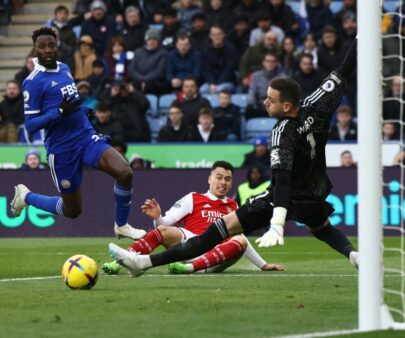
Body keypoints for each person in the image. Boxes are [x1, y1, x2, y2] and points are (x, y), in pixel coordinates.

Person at [108, 38, 360, 276]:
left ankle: (143, 262)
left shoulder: (282, 133)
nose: (265, 102)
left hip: (280, 198)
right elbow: (345, 69)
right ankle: (353, 254)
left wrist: (277, 223)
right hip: (313, 192)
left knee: (215, 233)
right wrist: (363, 36)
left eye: (271, 100)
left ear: (286, 107)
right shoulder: (317, 102)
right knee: (322, 228)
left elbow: (283, 180)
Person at [10, 27, 146, 241]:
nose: (47, 50)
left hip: (85, 135)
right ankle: (26, 197)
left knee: (125, 172)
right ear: (34, 50)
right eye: (42, 47)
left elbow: (68, 103)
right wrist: (58, 113)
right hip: (62, 148)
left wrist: (82, 111)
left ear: (57, 46)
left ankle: (121, 225)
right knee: (72, 210)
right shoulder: (32, 82)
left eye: (51, 45)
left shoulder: (65, 68)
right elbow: (31, 125)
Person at [103, 161, 284, 275]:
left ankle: (189, 268)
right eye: (219, 177)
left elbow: (243, 241)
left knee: (238, 238)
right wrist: (158, 217)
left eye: (227, 179)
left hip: (216, 256)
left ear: (231, 183)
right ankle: (120, 262)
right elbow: (165, 225)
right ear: (209, 179)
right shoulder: (193, 198)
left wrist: (262, 265)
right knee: (162, 230)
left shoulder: (234, 206)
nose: (223, 183)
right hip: (189, 247)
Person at [128, 28, 169, 95]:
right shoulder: (138, 51)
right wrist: (141, 79)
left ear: (158, 41)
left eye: (155, 39)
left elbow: (160, 71)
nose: (152, 42)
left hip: (154, 82)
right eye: (150, 39)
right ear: (146, 40)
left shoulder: (163, 53)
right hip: (138, 81)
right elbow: (131, 69)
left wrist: (145, 79)